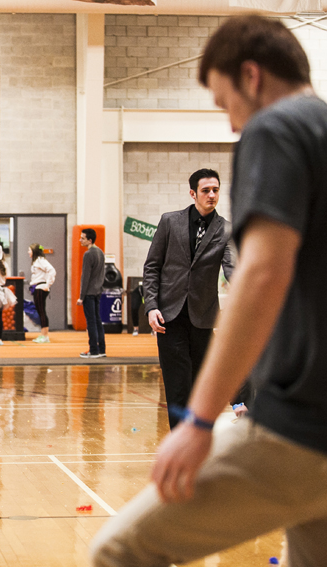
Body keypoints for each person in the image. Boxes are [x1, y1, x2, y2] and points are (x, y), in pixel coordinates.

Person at [90, 15, 327, 566]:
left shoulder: (275, 128)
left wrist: (199, 422)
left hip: (300, 430)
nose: (231, 122)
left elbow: (261, 276)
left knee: (118, 550)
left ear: (251, 76)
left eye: (225, 103)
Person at [143, 168, 235, 429]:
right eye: (206, 190)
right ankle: (179, 439)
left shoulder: (226, 229)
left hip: (203, 317)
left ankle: (196, 441)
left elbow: (232, 269)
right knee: (177, 386)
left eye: (215, 190)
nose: (212, 195)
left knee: (199, 386)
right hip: (169, 317)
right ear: (193, 193)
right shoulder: (170, 221)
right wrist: (151, 307)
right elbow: (152, 267)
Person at [77, 228, 105, 358]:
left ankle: (93, 350)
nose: (80, 240)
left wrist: (81, 297)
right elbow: (101, 275)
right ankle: (102, 349)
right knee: (97, 321)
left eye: (82, 238)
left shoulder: (88, 254)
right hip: (98, 291)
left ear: (90, 240)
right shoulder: (100, 252)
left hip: (89, 293)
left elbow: (85, 277)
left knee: (91, 322)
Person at [29, 243, 56, 343]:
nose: (28, 252)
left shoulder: (41, 260)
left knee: (41, 311)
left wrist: (48, 284)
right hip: (37, 288)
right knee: (40, 311)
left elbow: (52, 270)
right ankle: (43, 334)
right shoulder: (36, 261)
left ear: (34, 251)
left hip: (41, 288)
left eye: (29, 250)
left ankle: (45, 336)